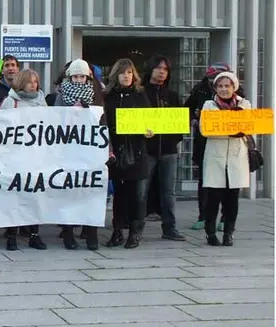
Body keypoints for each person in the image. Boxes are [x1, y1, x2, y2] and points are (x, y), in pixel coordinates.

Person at [185, 62, 245, 231]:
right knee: (206, 183)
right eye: (217, 82)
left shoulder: (240, 97)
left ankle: (226, 220)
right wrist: (196, 120)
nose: (223, 87)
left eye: (227, 84)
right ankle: (203, 216)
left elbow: (247, 122)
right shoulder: (200, 90)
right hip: (206, 144)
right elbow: (187, 110)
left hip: (233, 148)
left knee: (231, 185)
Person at [53, 59, 106, 250]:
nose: (78, 80)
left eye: (82, 76)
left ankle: (92, 234)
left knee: (91, 192)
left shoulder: (97, 95)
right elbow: (55, 119)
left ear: (88, 77)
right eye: (75, 76)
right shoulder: (61, 96)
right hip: (68, 150)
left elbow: (102, 122)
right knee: (69, 193)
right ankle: (68, 234)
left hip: (89, 151)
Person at [104, 58, 153, 250]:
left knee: (138, 195)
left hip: (137, 151)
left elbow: (150, 120)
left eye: (130, 72)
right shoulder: (108, 96)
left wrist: (149, 131)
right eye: (123, 72)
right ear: (116, 75)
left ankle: (135, 232)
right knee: (119, 195)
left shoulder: (140, 95)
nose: (127, 76)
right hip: (117, 150)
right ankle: (117, 232)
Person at [0, 68, 47, 251]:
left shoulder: (42, 103)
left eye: (36, 82)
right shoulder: (10, 102)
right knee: (15, 197)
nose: (33, 85)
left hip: (35, 157)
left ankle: (34, 234)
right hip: (15, 157)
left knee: (34, 197)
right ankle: (12, 234)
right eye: (30, 81)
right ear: (21, 83)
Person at [201, 72, 251, 247]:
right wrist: (231, 130)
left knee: (232, 200)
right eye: (220, 86)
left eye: (227, 86)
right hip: (216, 158)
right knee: (213, 200)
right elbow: (205, 130)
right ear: (215, 88)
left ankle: (229, 233)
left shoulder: (245, 104)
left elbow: (249, 128)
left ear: (234, 87)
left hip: (237, 158)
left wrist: (228, 128)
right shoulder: (209, 105)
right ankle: (210, 232)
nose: (224, 89)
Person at [141, 56, 186, 241]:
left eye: (165, 69)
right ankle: (137, 228)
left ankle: (170, 228)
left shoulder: (173, 95)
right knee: (141, 191)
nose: (162, 72)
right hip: (146, 150)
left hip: (168, 151)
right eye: (158, 68)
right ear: (150, 69)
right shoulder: (141, 93)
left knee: (169, 192)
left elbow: (180, 125)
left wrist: (173, 140)